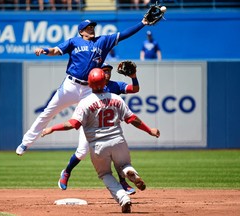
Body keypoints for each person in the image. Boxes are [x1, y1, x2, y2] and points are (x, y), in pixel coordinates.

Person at [16, 18, 151, 156]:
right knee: (48, 112)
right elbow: (55, 50)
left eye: (92, 26)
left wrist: (142, 23)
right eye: (88, 27)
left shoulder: (103, 41)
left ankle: (81, 151)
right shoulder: (74, 41)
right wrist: (44, 50)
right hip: (71, 85)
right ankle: (26, 142)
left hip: (89, 88)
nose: (91, 29)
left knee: (89, 118)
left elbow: (123, 35)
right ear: (81, 31)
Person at [41, 68, 160, 213]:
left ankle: (123, 198)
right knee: (123, 164)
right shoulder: (116, 98)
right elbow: (132, 119)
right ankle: (129, 171)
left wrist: (52, 128)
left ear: (89, 84)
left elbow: (73, 124)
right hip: (118, 141)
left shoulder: (85, 102)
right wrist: (150, 130)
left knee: (105, 174)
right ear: (105, 82)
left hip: (98, 146)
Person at [58, 62, 140, 195]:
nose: (107, 73)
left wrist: (133, 76)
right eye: (104, 70)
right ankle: (66, 172)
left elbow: (135, 89)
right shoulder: (89, 85)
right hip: (90, 126)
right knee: (82, 152)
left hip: (109, 127)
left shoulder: (115, 85)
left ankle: (123, 182)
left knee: (116, 153)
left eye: (108, 71)